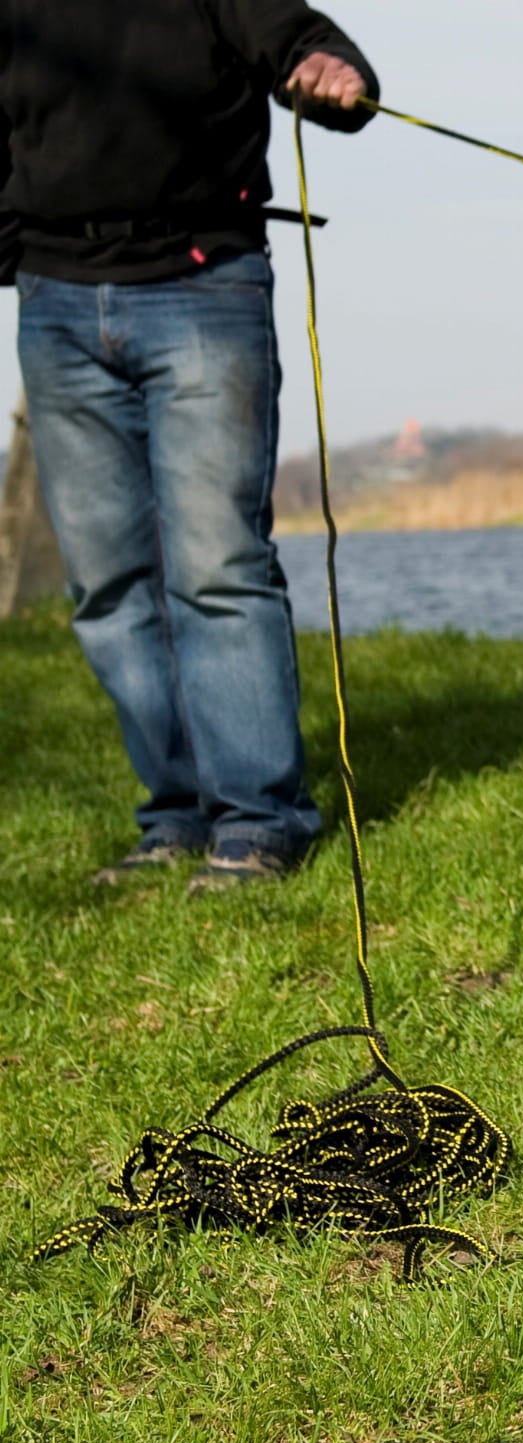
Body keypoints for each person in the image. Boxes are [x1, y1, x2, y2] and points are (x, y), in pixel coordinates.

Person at [0, 2, 379, 889]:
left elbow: (308, 48)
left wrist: (336, 78)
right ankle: (174, 813)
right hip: (58, 302)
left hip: (204, 289)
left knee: (217, 564)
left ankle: (258, 819)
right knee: (108, 582)